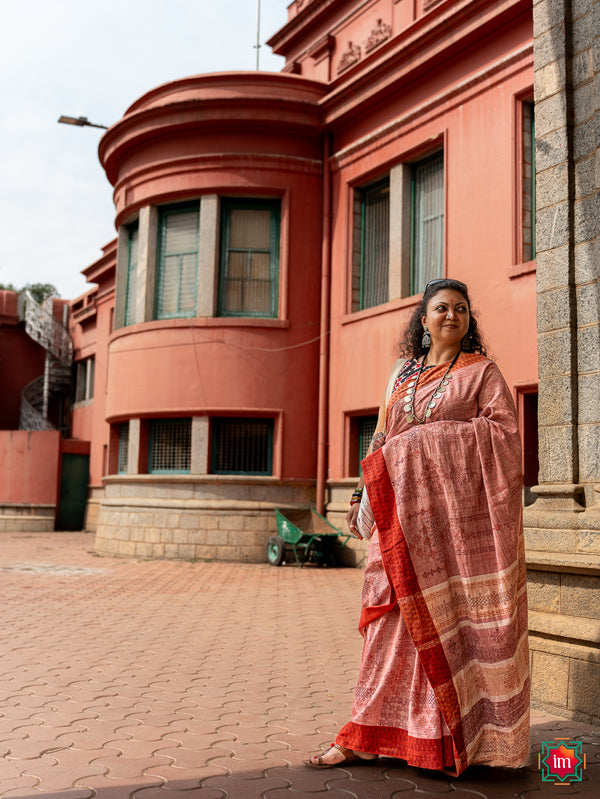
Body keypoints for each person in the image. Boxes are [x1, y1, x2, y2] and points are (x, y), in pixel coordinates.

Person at [304, 278, 530, 776]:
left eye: (462, 309)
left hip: (454, 535)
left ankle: (449, 738)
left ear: (469, 322)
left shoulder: (481, 373)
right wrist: (365, 490)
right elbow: (384, 436)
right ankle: (366, 736)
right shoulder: (401, 375)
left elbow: (505, 438)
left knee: (454, 628)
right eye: (442, 308)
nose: (452, 315)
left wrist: (418, 447)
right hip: (400, 524)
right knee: (389, 628)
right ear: (423, 321)